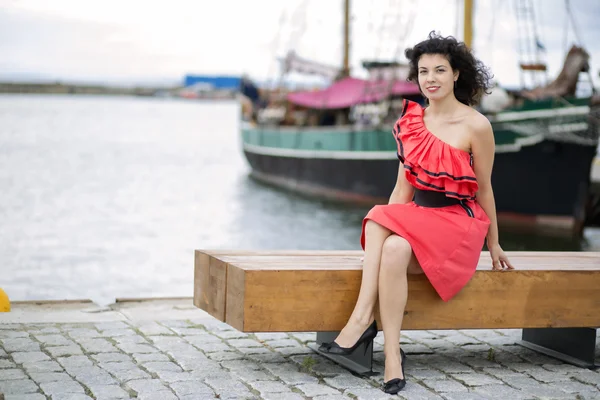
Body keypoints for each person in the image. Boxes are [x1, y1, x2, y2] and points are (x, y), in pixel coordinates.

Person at [319, 31, 515, 394]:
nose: (431, 78)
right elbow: (402, 190)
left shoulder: (477, 126)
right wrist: (394, 229)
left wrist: (496, 243)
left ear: (456, 74)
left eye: (440, 70)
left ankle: (361, 318)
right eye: (423, 71)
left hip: (459, 223)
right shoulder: (412, 122)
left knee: (378, 215)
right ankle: (392, 355)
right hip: (420, 221)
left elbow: (485, 188)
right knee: (392, 246)